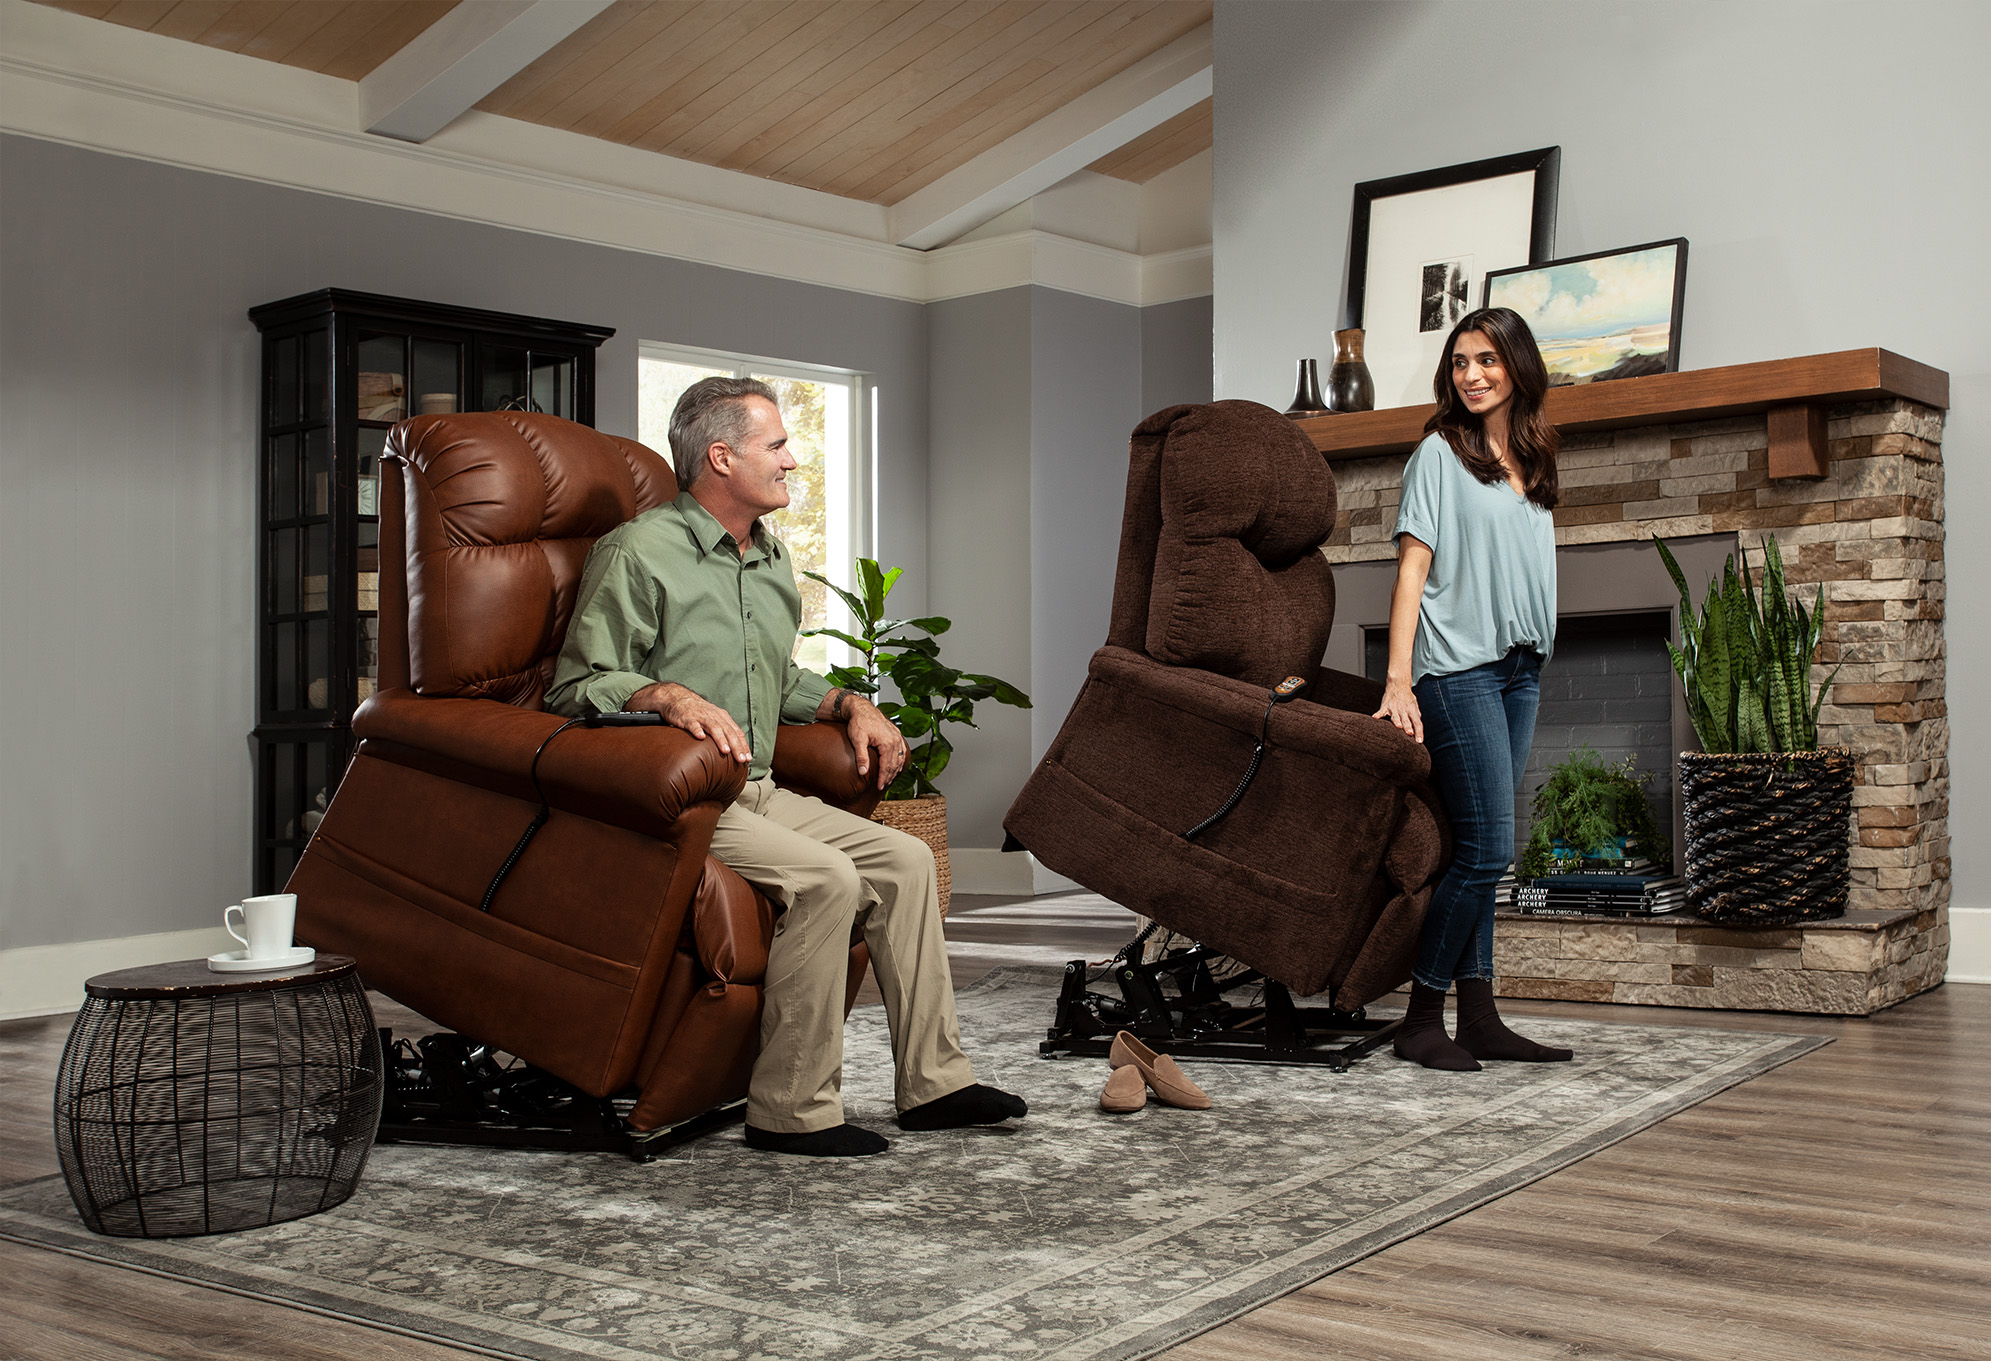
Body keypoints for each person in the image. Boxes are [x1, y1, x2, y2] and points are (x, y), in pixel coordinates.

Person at [548, 377, 1026, 1154]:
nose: (793, 460)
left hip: (759, 790)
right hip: (683, 801)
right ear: (721, 455)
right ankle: (791, 1110)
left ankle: (934, 1084)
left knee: (906, 861)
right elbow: (574, 685)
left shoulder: (769, 560)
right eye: (777, 445)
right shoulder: (637, 552)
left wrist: (848, 704)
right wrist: (663, 692)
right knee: (827, 879)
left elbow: (775, 679)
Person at [1372, 307, 1574, 1071]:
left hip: (1519, 669)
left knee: (1480, 850)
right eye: (1460, 362)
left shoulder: (1534, 457)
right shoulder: (1437, 454)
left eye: (1486, 359)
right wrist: (1398, 680)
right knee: (1489, 848)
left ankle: (1479, 1016)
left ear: (1517, 366)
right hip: (1457, 670)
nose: (1472, 374)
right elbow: (1412, 570)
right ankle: (1422, 1018)